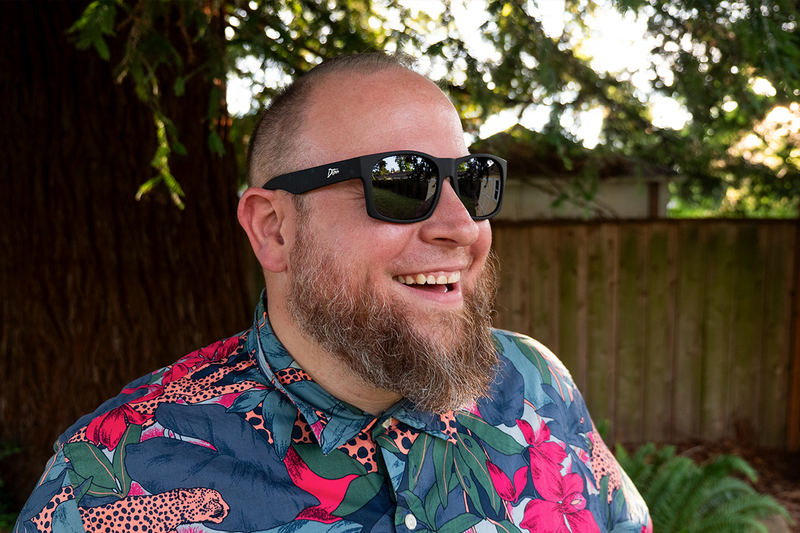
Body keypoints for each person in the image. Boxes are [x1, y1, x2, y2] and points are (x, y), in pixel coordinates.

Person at [16, 53, 651, 533]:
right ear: (274, 229)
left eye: (471, 181)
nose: (463, 227)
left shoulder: (535, 381)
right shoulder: (108, 481)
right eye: (401, 183)